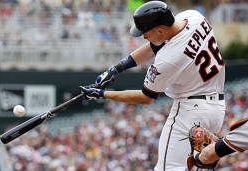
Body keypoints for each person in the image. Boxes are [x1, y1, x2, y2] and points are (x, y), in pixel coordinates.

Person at [80, 1, 226, 170]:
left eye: (145, 32)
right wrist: (115, 69)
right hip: (216, 109)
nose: (143, 36)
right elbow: (153, 47)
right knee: (193, 166)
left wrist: (103, 94)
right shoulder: (194, 17)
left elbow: (146, 97)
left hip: (190, 111)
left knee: (166, 168)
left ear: (160, 30)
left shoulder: (167, 59)